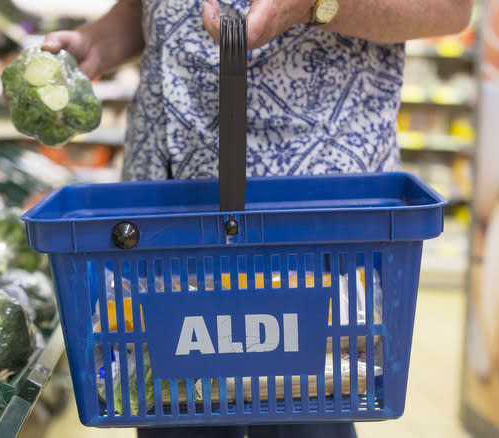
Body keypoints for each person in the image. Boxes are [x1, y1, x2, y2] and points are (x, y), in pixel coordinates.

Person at [41, 0, 471, 436]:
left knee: (306, 402)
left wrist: (314, 6)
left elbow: (449, 8)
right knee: (167, 402)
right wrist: (98, 40)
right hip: (164, 201)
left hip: (309, 202)